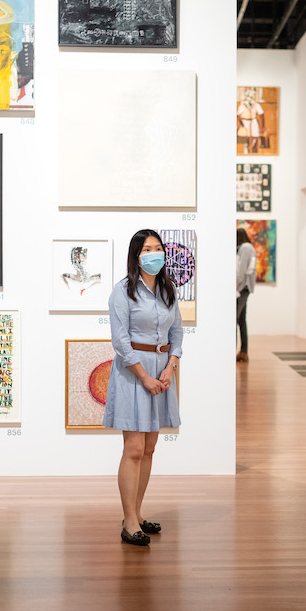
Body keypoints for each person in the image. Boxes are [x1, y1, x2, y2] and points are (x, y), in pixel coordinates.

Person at [105, 229, 183, 546]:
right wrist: (144, 375)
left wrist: (170, 367)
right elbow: (121, 341)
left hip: (162, 371)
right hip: (132, 372)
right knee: (134, 449)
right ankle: (128, 521)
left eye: (158, 248)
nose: (155, 253)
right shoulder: (123, 291)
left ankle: (136, 515)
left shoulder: (168, 290)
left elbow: (177, 333)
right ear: (136, 255)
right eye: (147, 248)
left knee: (150, 449)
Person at [236, 228, 257, 363]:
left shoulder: (245, 248)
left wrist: (235, 287)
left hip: (242, 288)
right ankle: (243, 351)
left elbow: (241, 271)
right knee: (241, 320)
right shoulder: (249, 247)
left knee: (234, 319)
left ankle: (232, 350)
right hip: (244, 288)